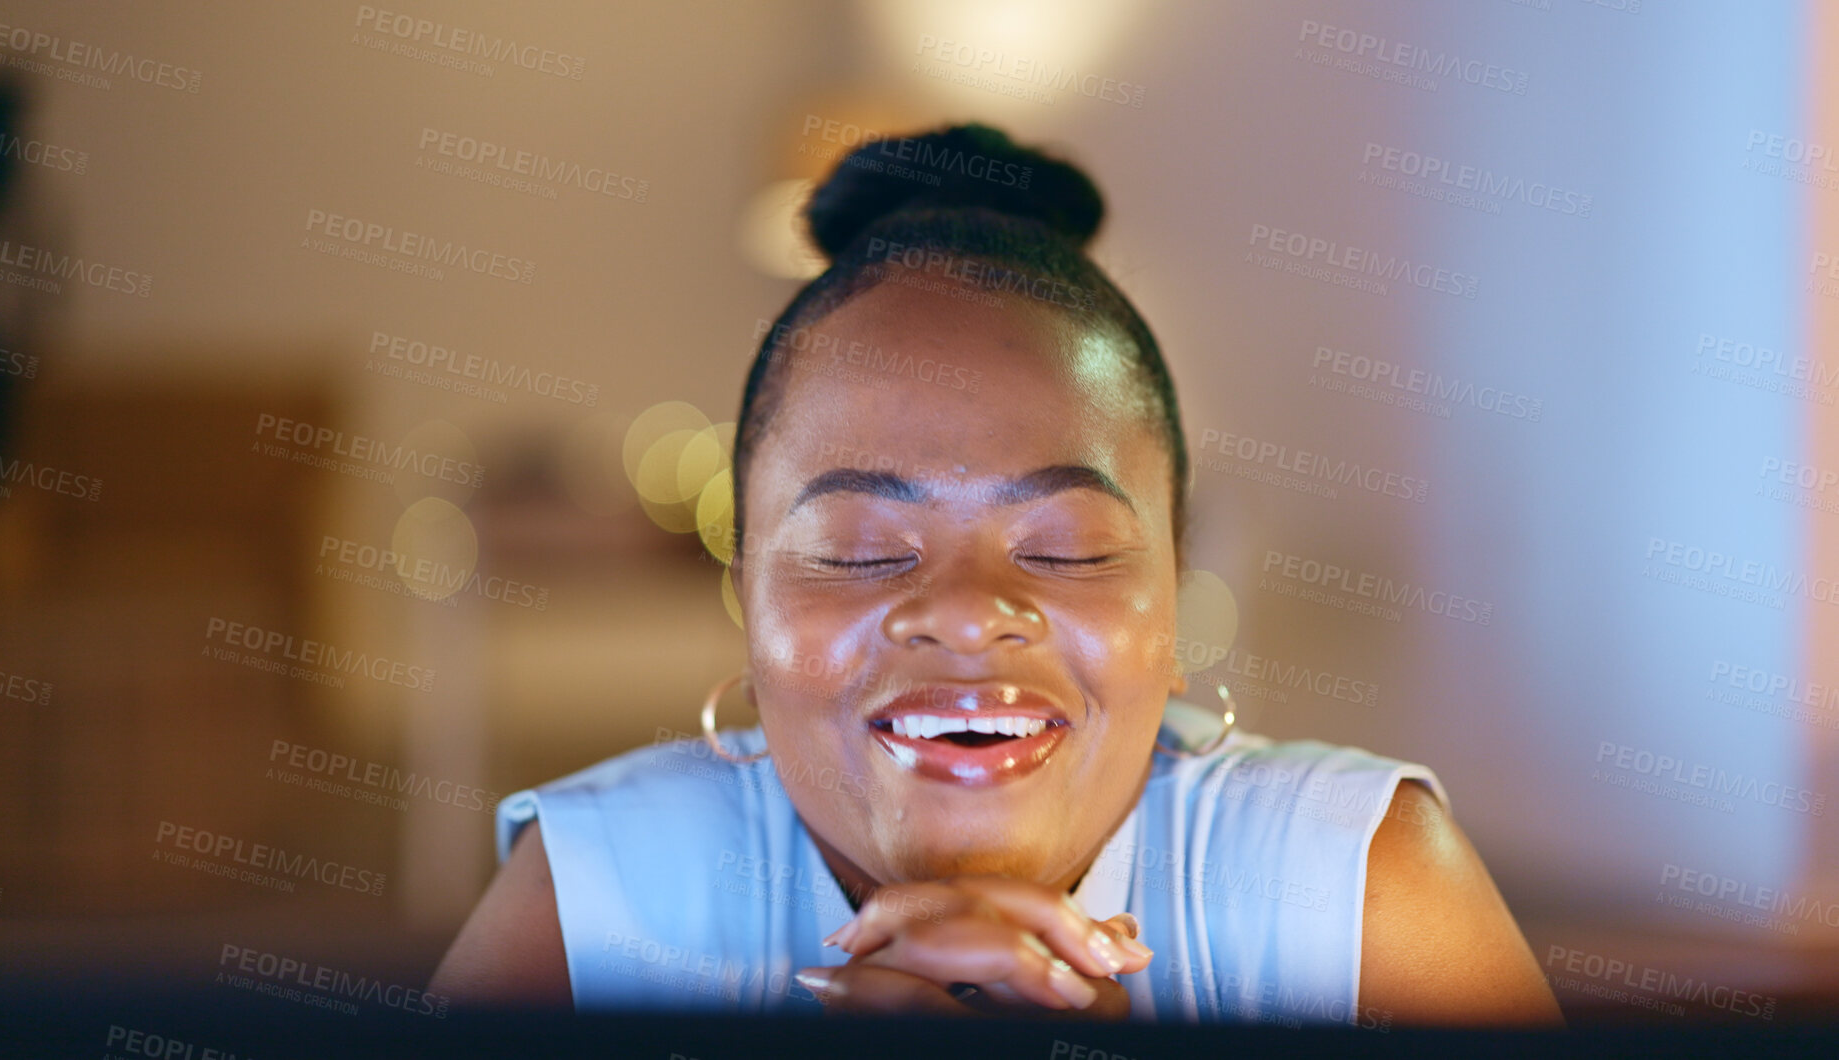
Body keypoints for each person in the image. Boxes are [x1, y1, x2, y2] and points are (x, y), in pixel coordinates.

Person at [428, 123, 1564, 1027]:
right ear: (748, 590)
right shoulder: (596, 902)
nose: (967, 613)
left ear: (1172, 593)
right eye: (859, 548)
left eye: (1065, 547)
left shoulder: (1360, 895)